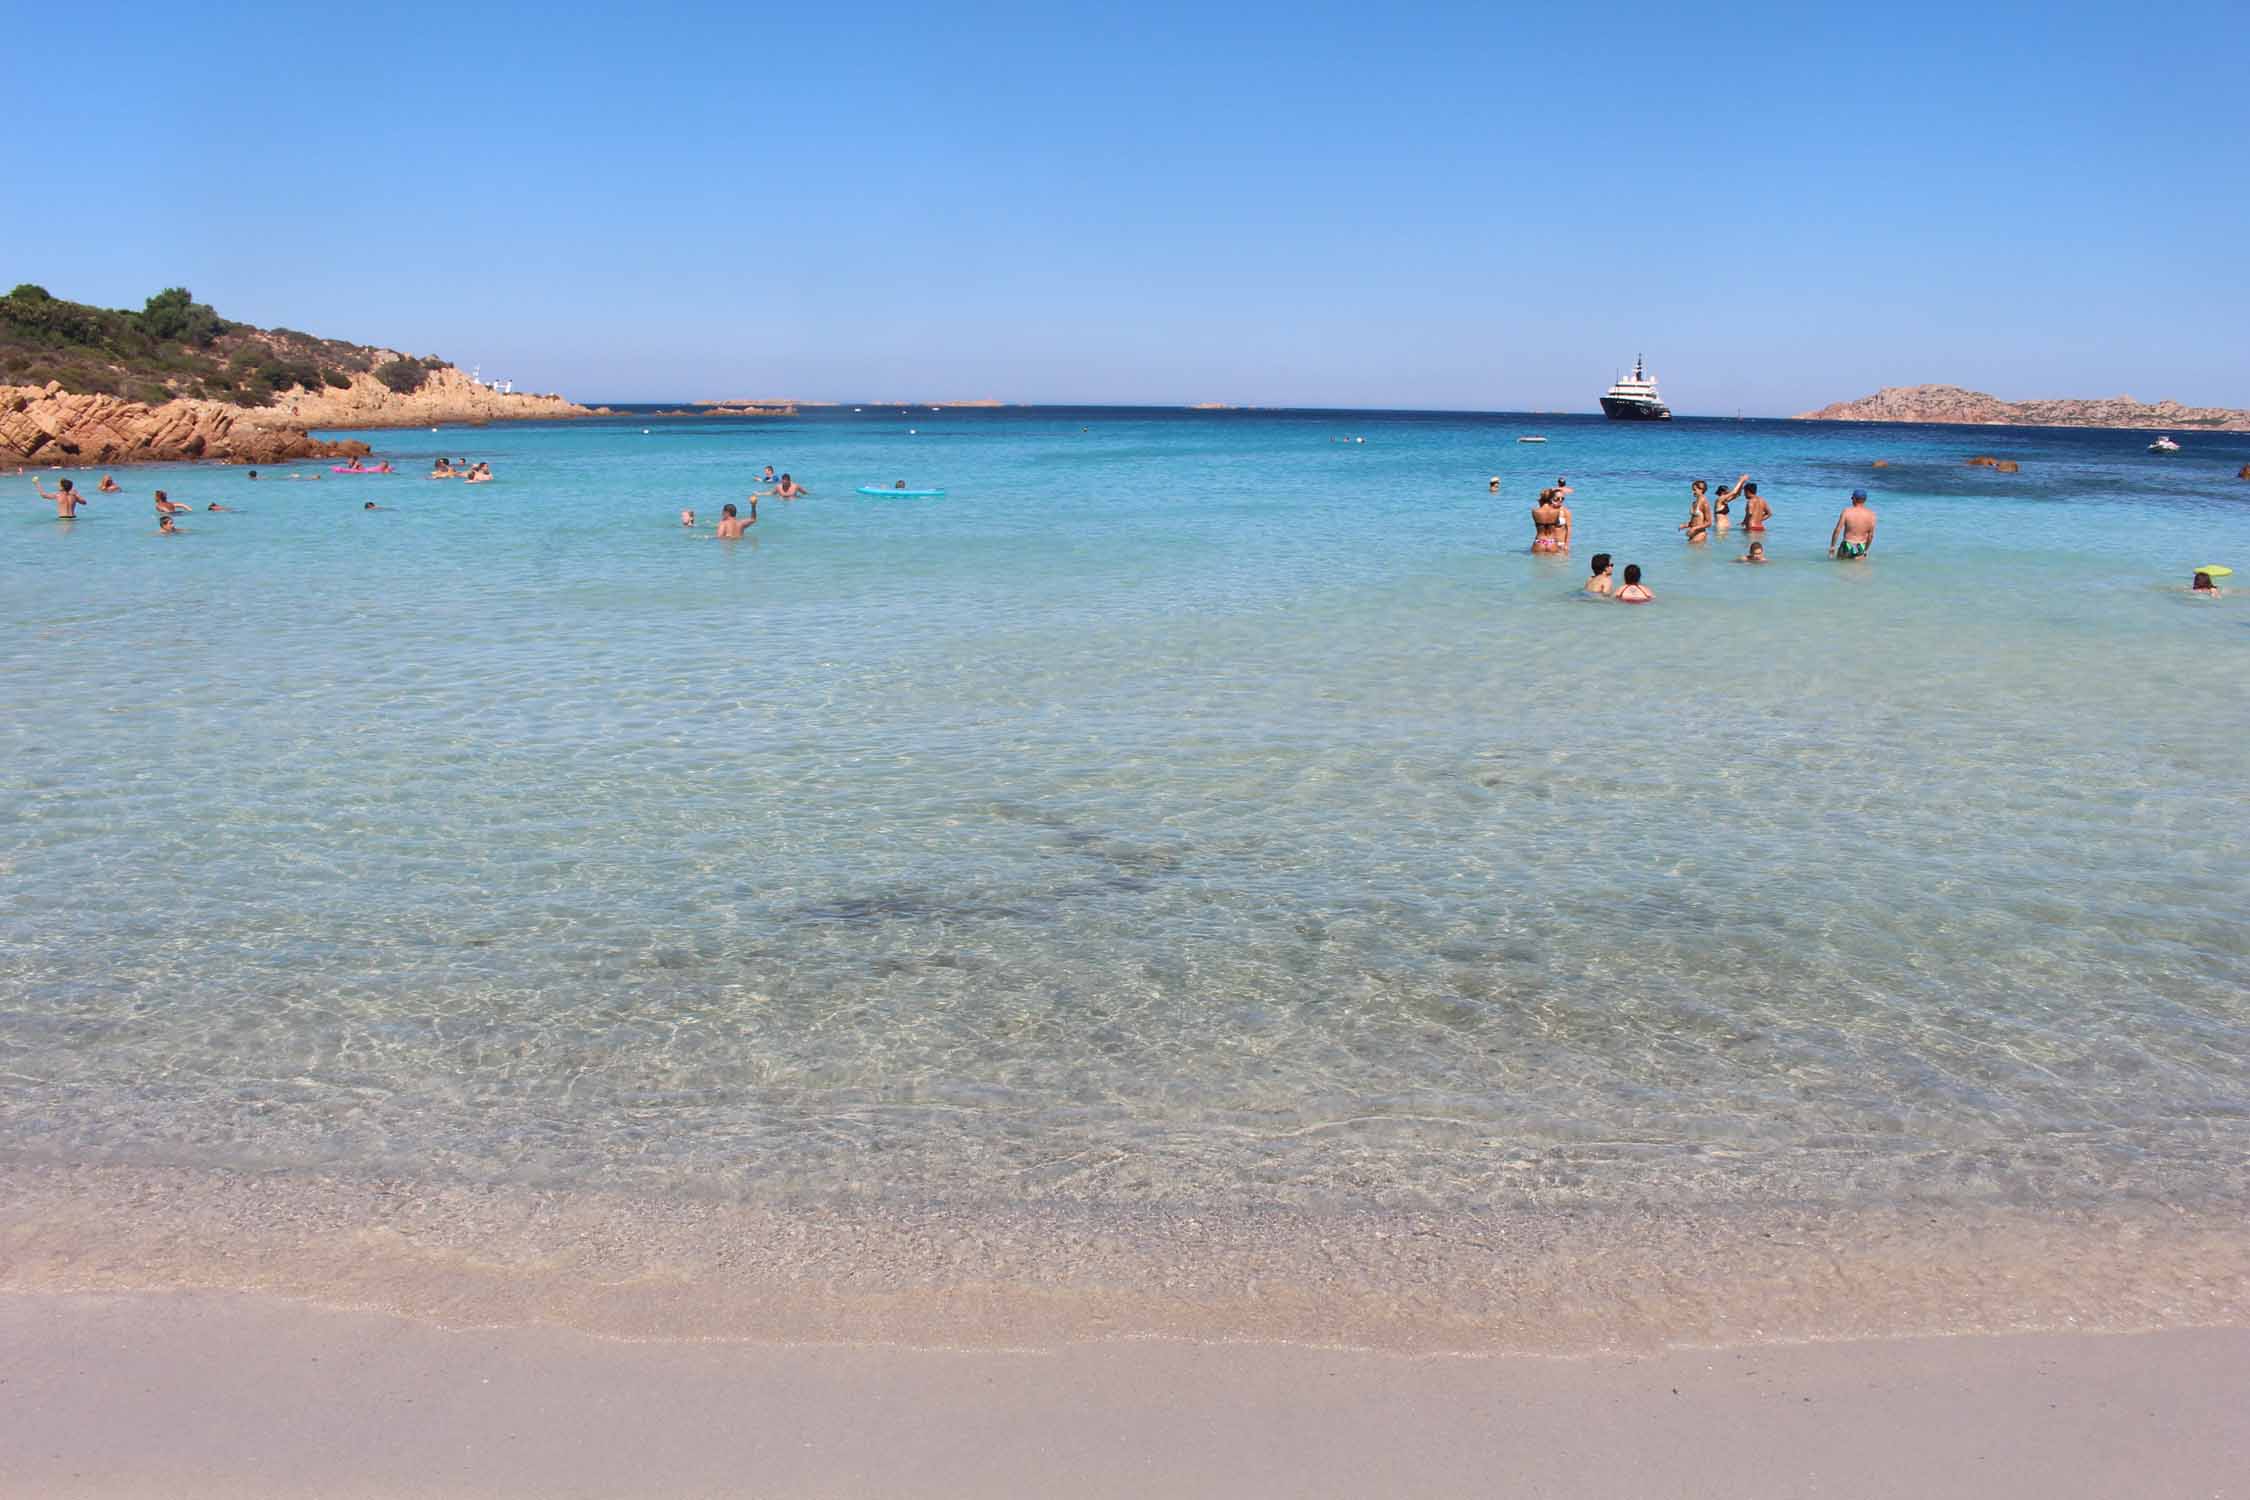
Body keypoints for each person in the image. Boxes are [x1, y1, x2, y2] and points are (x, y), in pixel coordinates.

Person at [1829, 489, 1877, 559]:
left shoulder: (1847, 511)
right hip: (1860, 546)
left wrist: (1832, 546)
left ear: (1854, 499)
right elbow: (1871, 535)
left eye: (1852, 498)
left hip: (1847, 545)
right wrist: (1865, 550)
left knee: (1841, 569)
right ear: (1865, 500)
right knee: (1857, 569)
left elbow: (1837, 530)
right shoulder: (1871, 515)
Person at [1530, 488, 1563, 552]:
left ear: (1541, 499)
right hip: (1551, 541)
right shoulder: (1557, 511)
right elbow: (1558, 524)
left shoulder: (1534, 511)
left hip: (1539, 541)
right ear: (1551, 499)